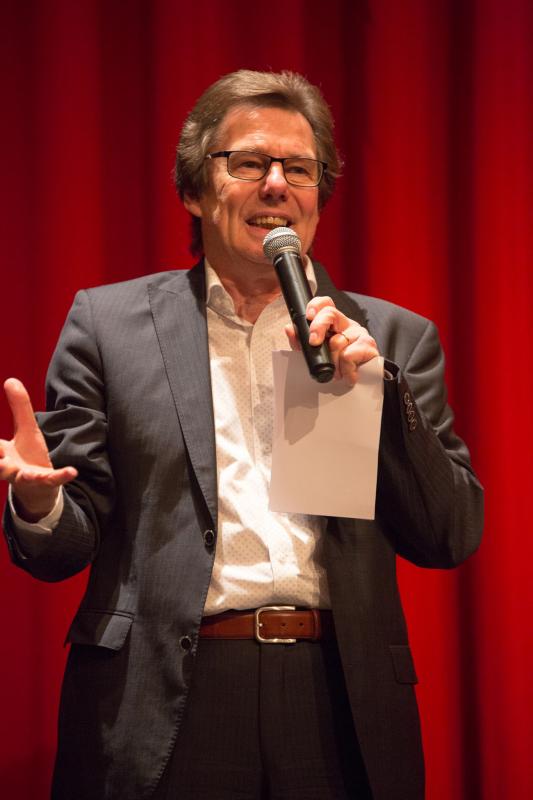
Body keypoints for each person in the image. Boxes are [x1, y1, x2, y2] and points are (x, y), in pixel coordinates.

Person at [0, 70, 483, 800]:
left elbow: (447, 535)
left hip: (338, 696)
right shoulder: (108, 326)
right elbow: (66, 546)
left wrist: (382, 395)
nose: (277, 185)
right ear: (195, 191)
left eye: (299, 169)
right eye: (250, 163)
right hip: (168, 689)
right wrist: (40, 504)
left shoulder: (389, 337)